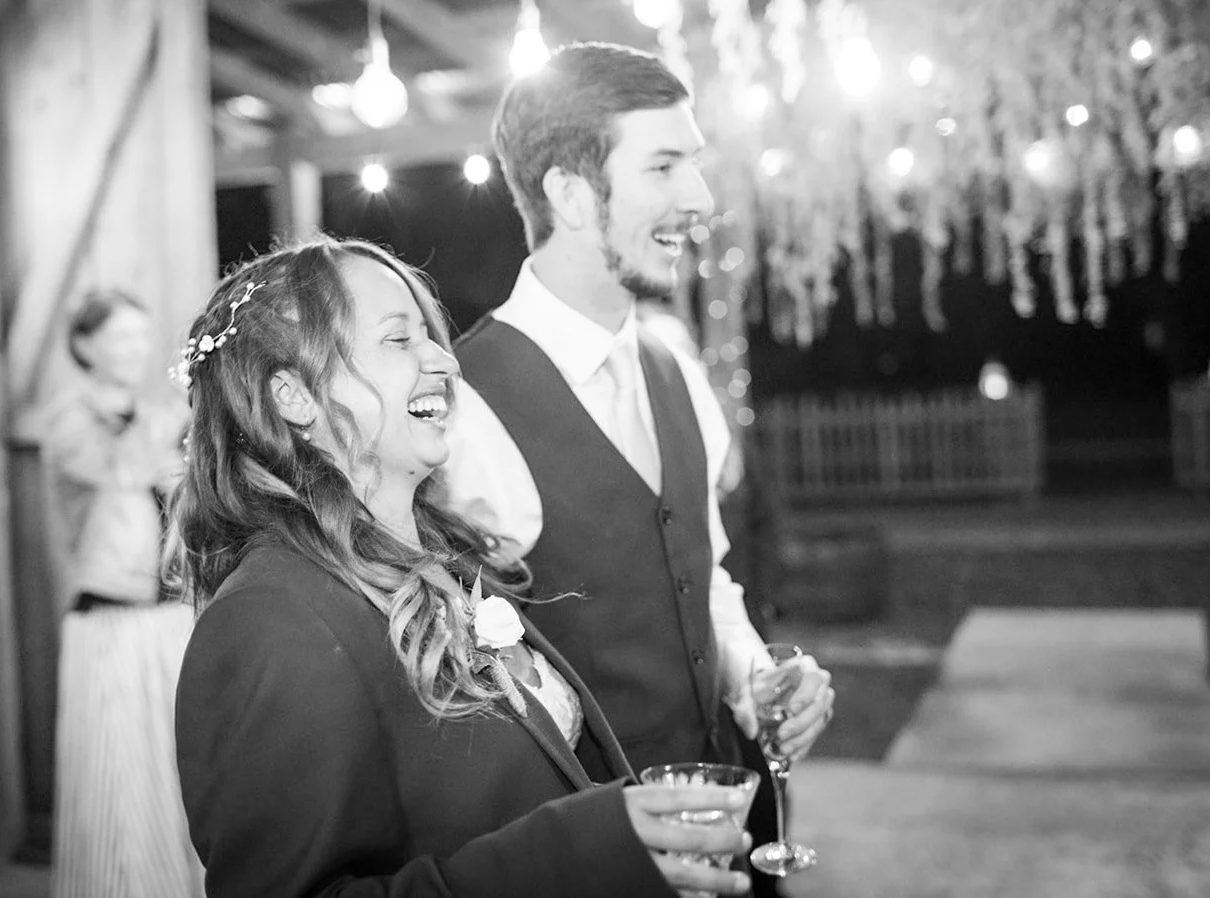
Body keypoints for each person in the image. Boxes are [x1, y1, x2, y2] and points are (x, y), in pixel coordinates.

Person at [170, 238, 753, 898]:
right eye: (398, 340)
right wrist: (575, 855)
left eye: (431, 335)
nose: (443, 359)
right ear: (295, 396)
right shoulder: (270, 621)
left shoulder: (448, 556)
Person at [441, 43, 835, 892]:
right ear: (570, 194)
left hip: (732, 835)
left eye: (693, 164)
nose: (698, 198)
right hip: (590, 866)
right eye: (664, 166)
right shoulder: (467, 408)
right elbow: (466, 687)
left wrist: (761, 681)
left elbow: (707, 577)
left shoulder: (676, 370)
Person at [41, 289, 201, 898]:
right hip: (107, 617)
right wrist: (182, 418)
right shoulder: (69, 419)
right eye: (120, 338)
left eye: (141, 335)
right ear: (85, 346)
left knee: (176, 774)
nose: (136, 349)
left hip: (168, 615)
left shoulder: (158, 416)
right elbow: (119, 470)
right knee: (119, 783)